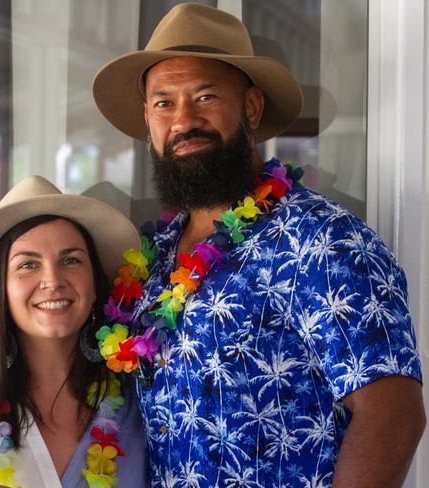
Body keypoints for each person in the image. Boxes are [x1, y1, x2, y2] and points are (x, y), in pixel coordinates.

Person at [88, 3, 425, 488]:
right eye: (164, 103)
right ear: (147, 119)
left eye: (205, 97)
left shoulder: (322, 240)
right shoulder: (151, 257)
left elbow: (392, 416)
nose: (184, 120)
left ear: (251, 107)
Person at [0, 175, 146, 487]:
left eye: (71, 260)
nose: (53, 280)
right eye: (28, 265)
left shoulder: (141, 400)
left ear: (93, 286)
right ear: (1, 291)